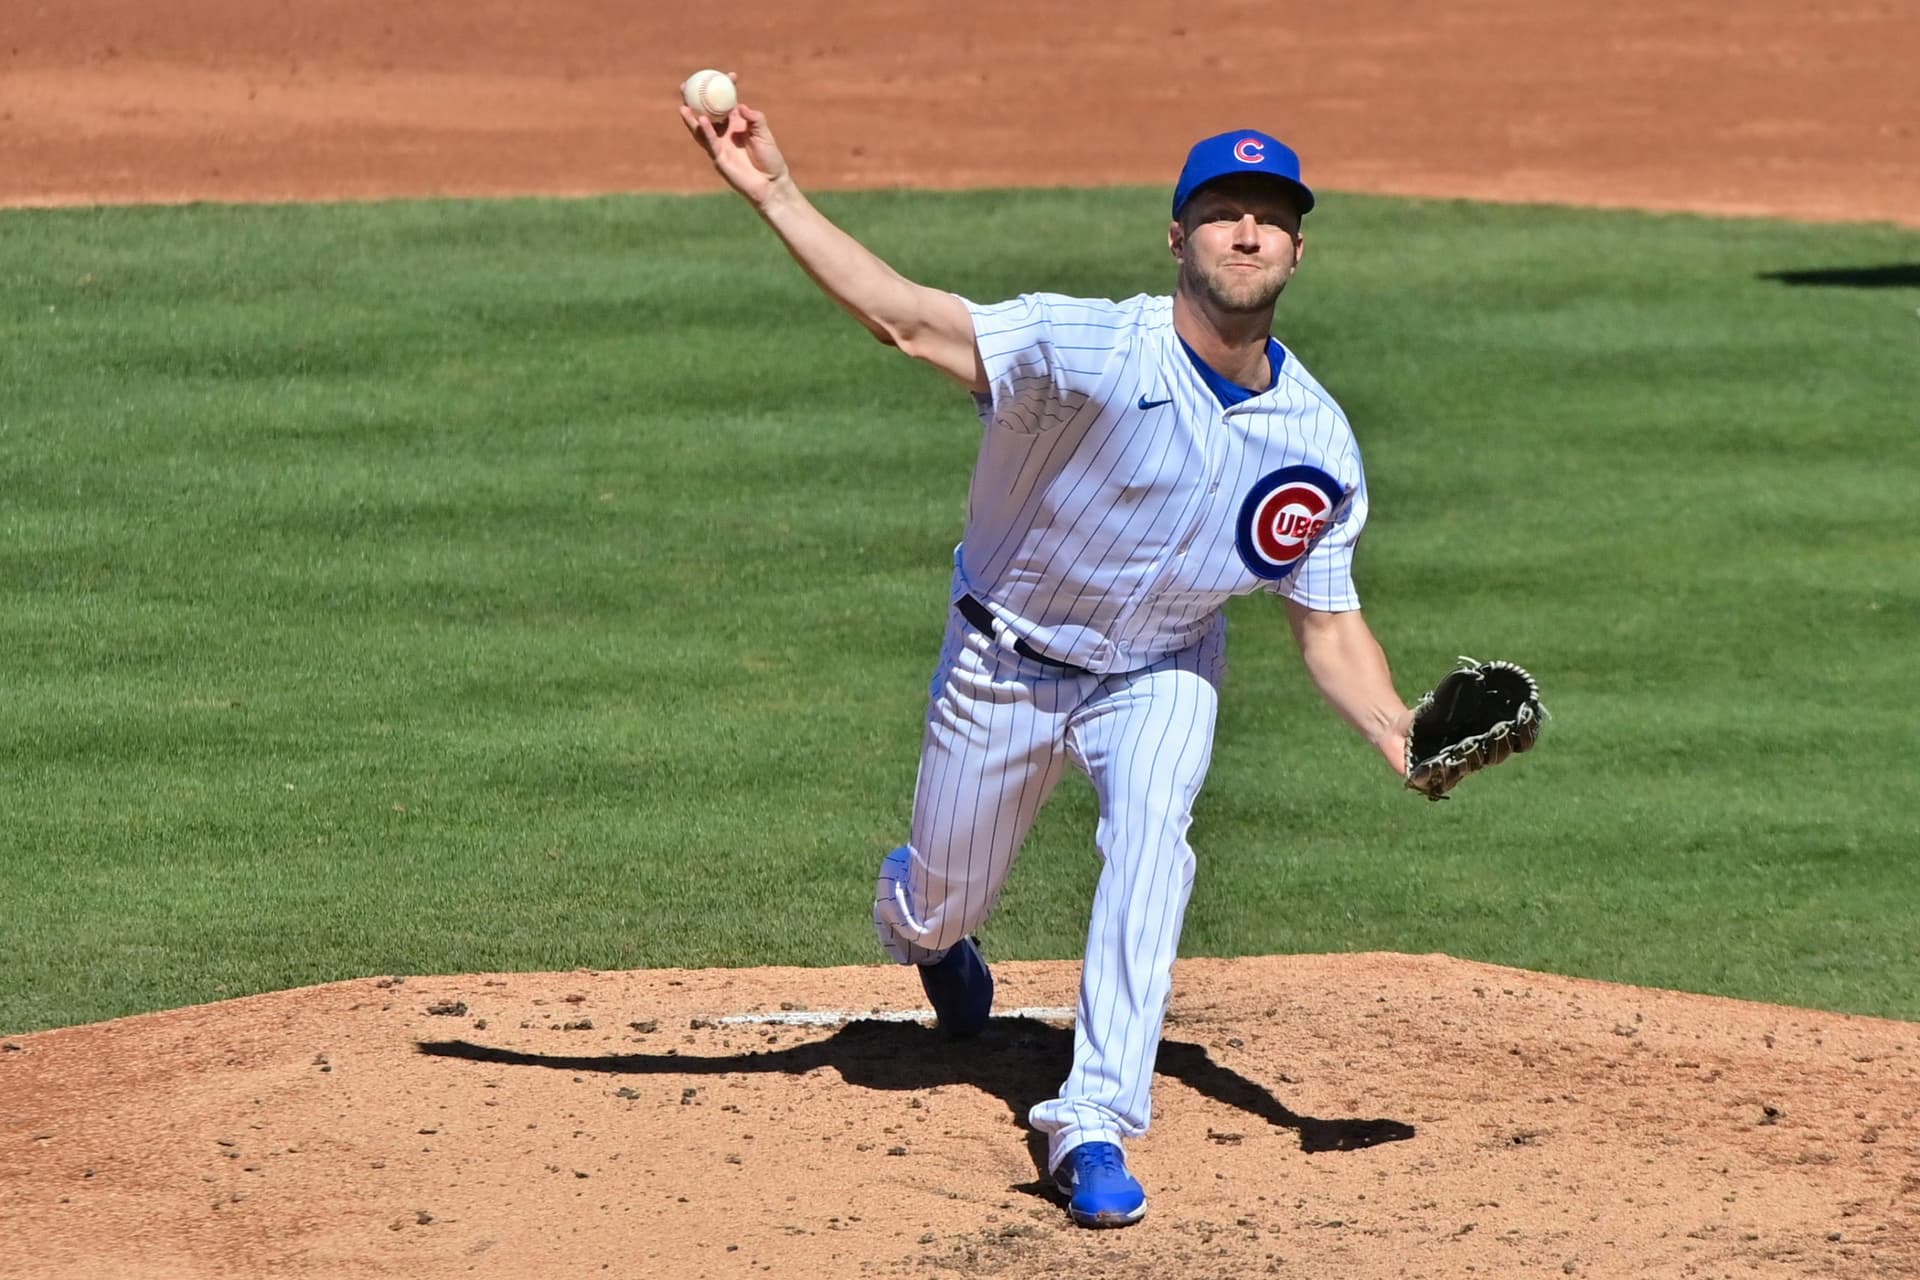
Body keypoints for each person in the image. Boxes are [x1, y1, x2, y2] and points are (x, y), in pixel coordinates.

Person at [680, 87, 1413, 1230]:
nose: (1247, 232)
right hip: (1005, 660)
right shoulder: (1089, 348)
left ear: (1298, 249)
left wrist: (1402, 734)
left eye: (1270, 216)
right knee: (940, 897)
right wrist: (775, 191)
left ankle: (1093, 1116)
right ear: (1177, 237)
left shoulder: (1318, 442)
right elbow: (908, 320)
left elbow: (1327, 625)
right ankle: (930, 934)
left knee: (1154, 836)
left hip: (1163, 668)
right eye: (1223, 212)